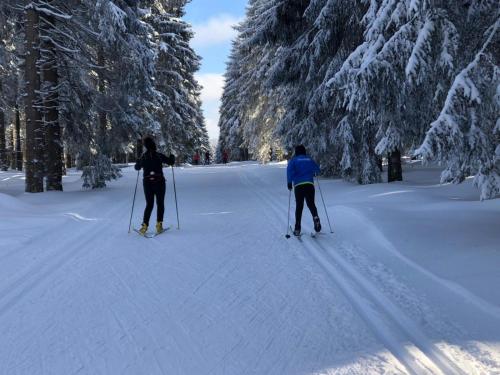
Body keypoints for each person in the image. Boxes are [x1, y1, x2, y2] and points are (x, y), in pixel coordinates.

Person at [134, 137, 176, 235]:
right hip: (159, 182)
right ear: (154, 145)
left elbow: (137, 168)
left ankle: (144, 226)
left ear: (145, 146)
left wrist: (137, 162)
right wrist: (172, 157)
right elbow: (171, 162)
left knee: (149, 204)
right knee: (160, 203)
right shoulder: (159, 155)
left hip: (147, 183)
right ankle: (159, 225)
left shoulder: (143, 157)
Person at [287, 145, 321, 236]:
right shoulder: (309, 159)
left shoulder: (293, 160)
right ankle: (316, 217)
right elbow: (317, 170)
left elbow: (289, 171)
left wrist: (289, 183)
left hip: (298, 185)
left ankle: (297, 228)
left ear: (297, 152)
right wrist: (313, 173)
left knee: (299, 206)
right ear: (304, 151)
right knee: (311, 204)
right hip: (309, 184)